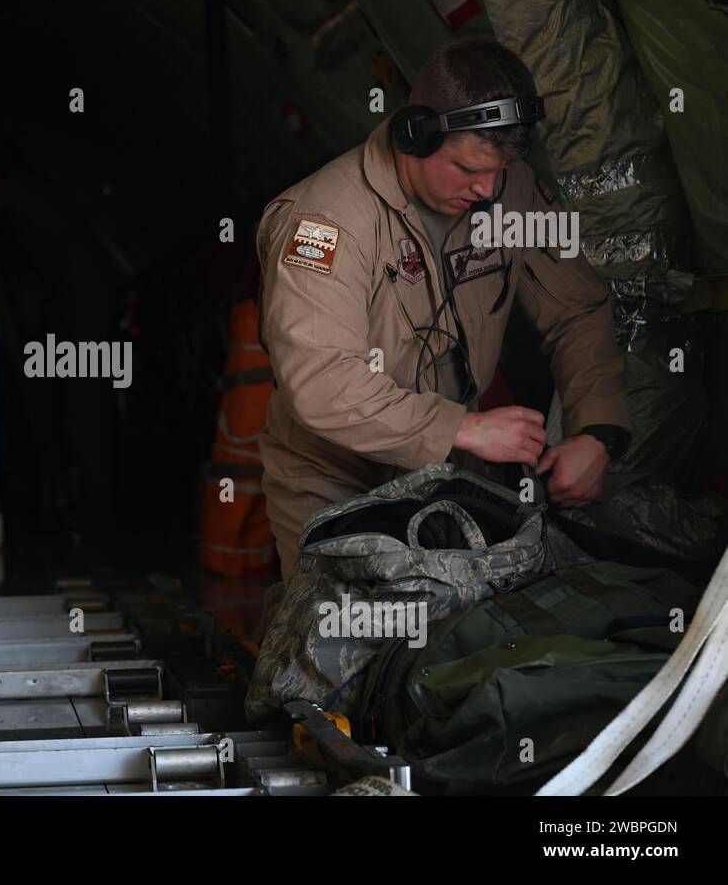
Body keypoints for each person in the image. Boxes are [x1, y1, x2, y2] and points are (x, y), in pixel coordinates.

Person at [255, 37, 632, 581]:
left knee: (453, 641)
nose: (485, 189)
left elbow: (576, 309)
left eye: (500, 169)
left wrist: (597, 432)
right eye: (466, 168)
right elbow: (323, 382)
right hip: (331, 473)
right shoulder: (324, 223)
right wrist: (464, 428)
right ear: (417, 135)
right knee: (345, 639)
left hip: (447, 472)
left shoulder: (508, 191)